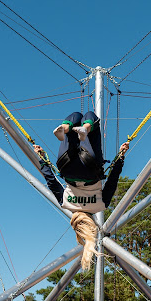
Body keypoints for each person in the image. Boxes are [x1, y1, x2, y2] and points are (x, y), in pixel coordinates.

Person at [34, 111, 129, 270]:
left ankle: (86, 128)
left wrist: (121, 156)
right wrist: (42, 158)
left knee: (91, 117)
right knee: (75, 116)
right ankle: (65, 128)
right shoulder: (65, 203)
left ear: (92, 222)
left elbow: (113, 180)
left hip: (91, 167)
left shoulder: (101, 205)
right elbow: (51, 181)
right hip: (67, 166)